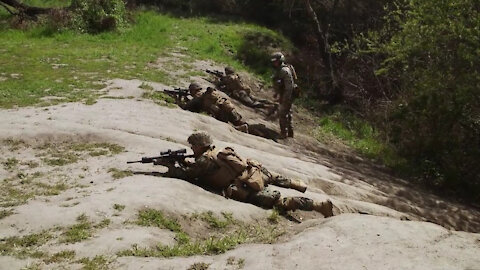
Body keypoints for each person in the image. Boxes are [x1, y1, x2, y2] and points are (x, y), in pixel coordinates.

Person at [155, 132, 334, 217]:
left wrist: (170, 167)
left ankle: (319, 206)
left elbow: (186, 175)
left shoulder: (203, 160)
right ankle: (296, 183)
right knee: (272, 177)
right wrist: (184, 161)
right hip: (254, 174)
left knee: (281, 202)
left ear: (200, 146)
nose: (191, 148)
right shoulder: (218, 151)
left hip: (245, 188)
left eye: (193, 146)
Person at [270, 52, 297, 138]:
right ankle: (290, 132)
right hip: (286, 93)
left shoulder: (284, 71)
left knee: (282, 113)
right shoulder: (282, 69)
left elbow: (289, 86)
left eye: (276, 61)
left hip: (287, 94)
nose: (274, 63)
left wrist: (285, 98)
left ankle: (284, 133)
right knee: (288, 112)